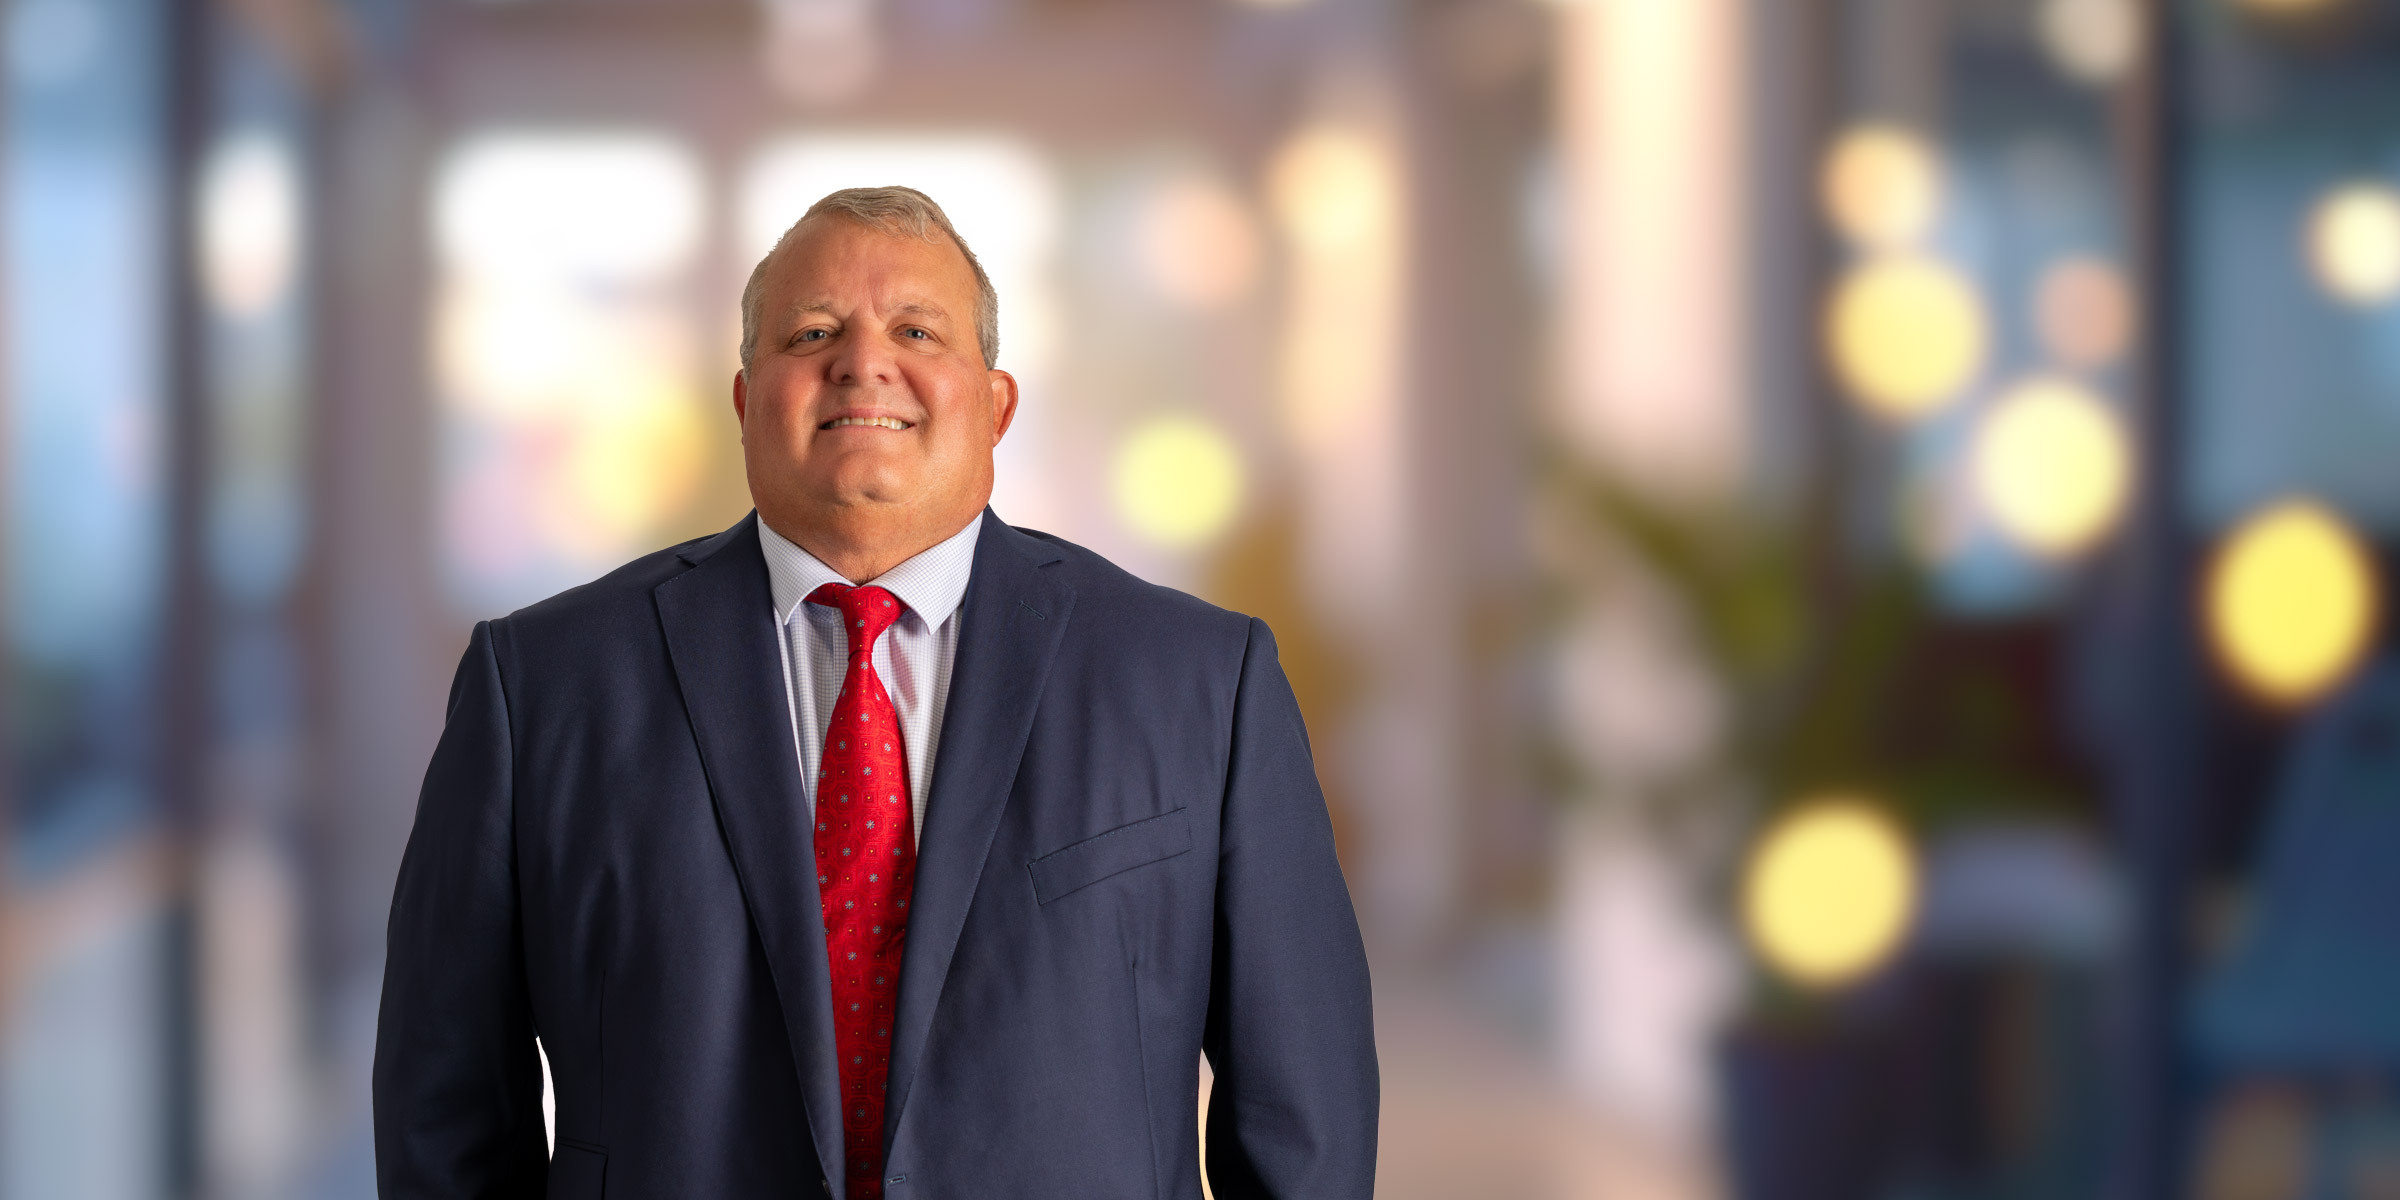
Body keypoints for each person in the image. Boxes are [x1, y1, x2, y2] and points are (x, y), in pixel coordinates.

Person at [373, 186, 1378, 1199]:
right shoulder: (542, 685)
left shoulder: (1199, 680)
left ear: (995, 405)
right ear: (744, 399)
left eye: (915, 329)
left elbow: (1304, 1121)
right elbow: (443, 1110)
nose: (862, 360)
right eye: (812, 332)